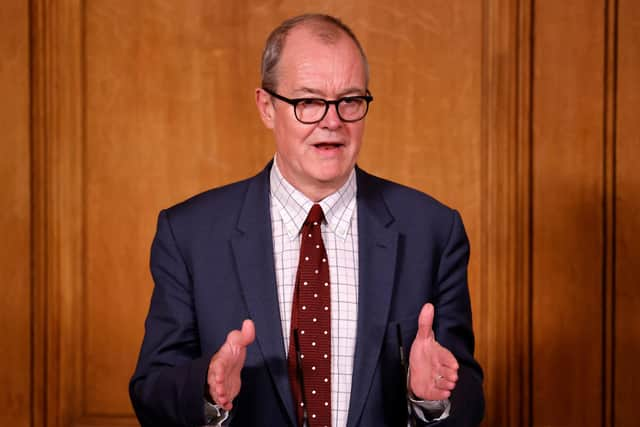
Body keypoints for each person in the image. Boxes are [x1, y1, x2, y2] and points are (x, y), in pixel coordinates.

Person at [129, 14, 484, 427]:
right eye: (308, 102)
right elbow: (151, 393)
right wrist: (207, 391)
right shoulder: (189, 234)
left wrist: (430, 401)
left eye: (349, 100)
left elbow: (469, 401)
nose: (331, 121)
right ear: (266, 107)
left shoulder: (433, 232)